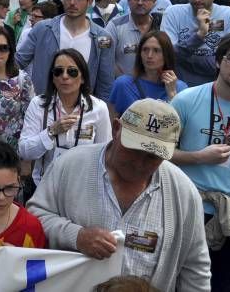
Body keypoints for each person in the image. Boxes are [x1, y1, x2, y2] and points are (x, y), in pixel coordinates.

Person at [28, 99, 210, 291]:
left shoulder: (183, 192)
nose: (139, 163)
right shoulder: (70, 165)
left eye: (152, 157)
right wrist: (76, 236)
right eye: (133, 150)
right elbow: (34, 216)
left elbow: (195, 268)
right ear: (116, 129)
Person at [170, 32, 230, 290]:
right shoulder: (187, 100)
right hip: (191, 208)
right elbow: (158, 152)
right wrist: (198, 157)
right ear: (219, 61)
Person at [18, 49, 113, 185]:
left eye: (72, 71)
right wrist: (51, 132)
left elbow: (105, 156)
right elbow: (24, 151)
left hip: (82, 187)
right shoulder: (39, 104)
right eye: (58, 71)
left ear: (83, 78)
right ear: (53, 78)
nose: (65, 76)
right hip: (44, 186)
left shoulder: (98, 108)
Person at [17, 0, 116, 99]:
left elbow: (105, 84)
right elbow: (18, 62)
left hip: (83, 111)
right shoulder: (42, 29)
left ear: (90, 1)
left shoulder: (103, 38)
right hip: (43, 106)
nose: (72, 3)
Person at [161, 0, 230, 87]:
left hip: (216, 89)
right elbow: (168, 56)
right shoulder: (173, 12)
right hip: (179, 87)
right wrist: (200, 35)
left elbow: (226, 64)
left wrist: (182, 59)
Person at [108, 31, 187, 119]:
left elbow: (182, 127)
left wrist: (172, 95)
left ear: (166, 55)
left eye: (156, 50)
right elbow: (110, 124)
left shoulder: (180, 88)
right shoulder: (123, 84)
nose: (149, 55)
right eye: (145, 49)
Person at [106, 0, 162, 75]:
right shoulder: (114, 26)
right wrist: (124, 81)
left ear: (154, 2)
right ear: (128, 1)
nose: (140, 3)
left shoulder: (161, 25)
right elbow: (105, 56)